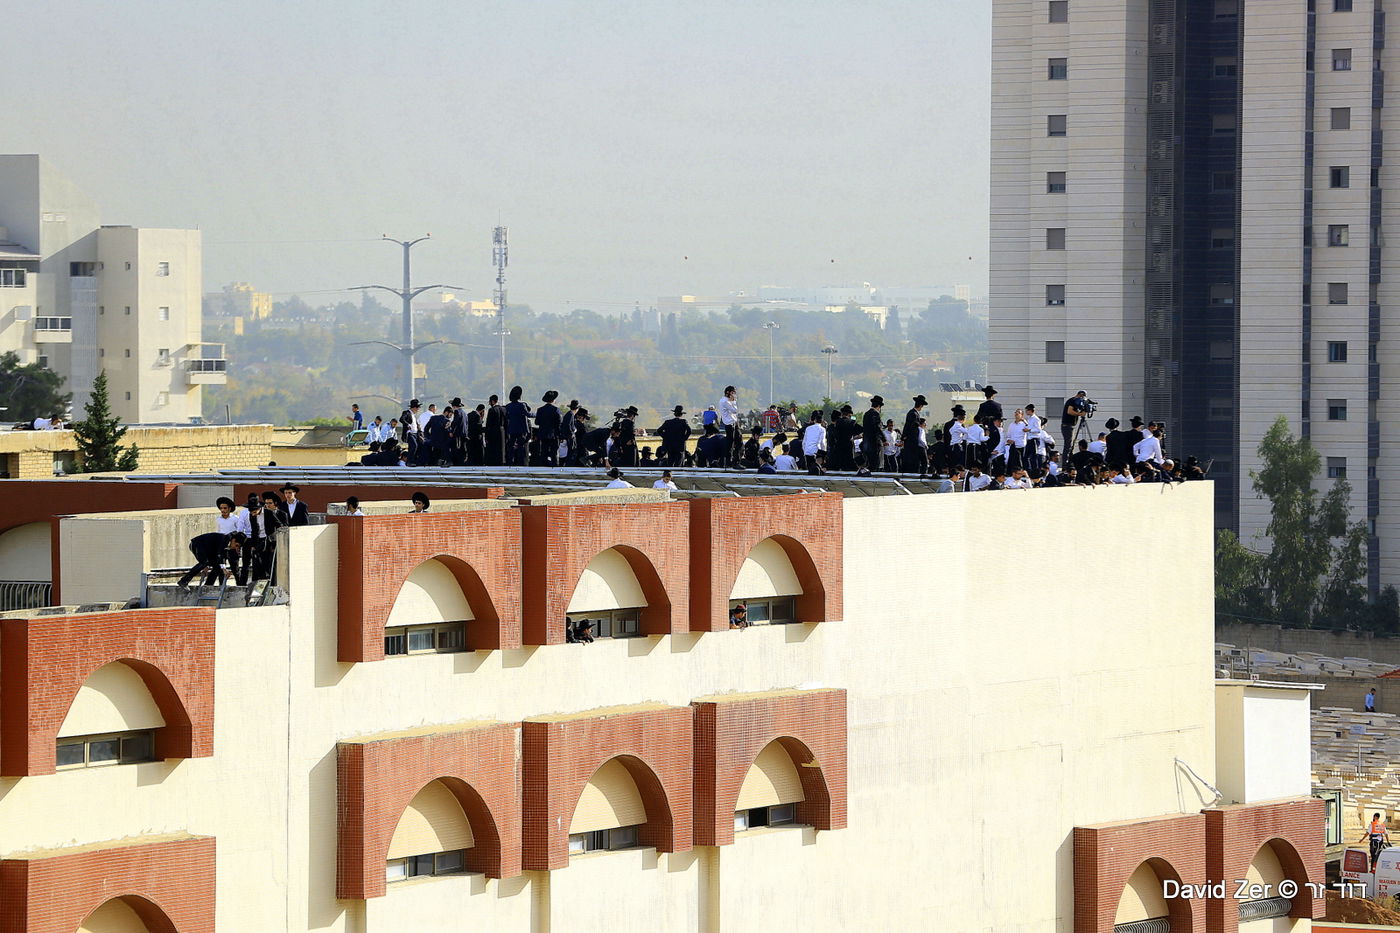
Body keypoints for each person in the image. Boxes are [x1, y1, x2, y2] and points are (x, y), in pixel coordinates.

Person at [178, 531, 245, 589]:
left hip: (207, 550)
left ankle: (208, 585)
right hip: (197, 544)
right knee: (204, 562)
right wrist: (224, 569)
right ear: (233, 540)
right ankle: (184, 581)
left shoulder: (227, 545)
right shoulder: (225, 540)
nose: (235, 547)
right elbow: (220, 555)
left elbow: (222, 560)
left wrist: (223, 570)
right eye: (236, 545)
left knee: (217, 567)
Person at [244, 495, 281, 582]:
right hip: (259, 540)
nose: (253, 514)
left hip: (269, 540)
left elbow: (279, 525)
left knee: (269, 563)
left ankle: (271, 581)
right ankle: (259, 580)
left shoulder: (269, 513)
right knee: (257, 560)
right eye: (251, 513)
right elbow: (254, 530)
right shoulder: (252, 515)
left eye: (254, 512)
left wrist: (275, 539)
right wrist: (253, 544)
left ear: (259, 508)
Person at [504, 386, 532, 466]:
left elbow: (507, 417)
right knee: (521, 447)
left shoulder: (508, 406)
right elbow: (528, 414)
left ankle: (510, 462)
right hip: (521, 429)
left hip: (512, 429)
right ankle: (520, 463)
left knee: (511, 447)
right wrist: (537, 414)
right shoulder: (522, 405)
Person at [535, 390, 562, 467]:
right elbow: (559, 423)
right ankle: (555, 467)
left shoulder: (540, 410)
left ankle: (543, 466)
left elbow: (537, 422)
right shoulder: (556, 410)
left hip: (543, 434)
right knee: (554, 453)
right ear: (553, 400)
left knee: (544, 452)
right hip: (553, 435)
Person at [901, 396, 927, 473]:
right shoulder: (914, 414)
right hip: (912, 442)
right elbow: (910, 428)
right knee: (913, 462)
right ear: (921, 406)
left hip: (910, 441)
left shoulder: (912, 413)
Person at [719, 386, 741, 467]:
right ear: (728, 392)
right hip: (730, 425)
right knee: (731, 444)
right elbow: (734, 410)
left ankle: (734, 461)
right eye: (733, 392)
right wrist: (734, 401)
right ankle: (731, 462)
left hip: (734, 423)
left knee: (738, 442)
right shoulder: (725, 401)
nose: (734, 394)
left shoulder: (727, 401)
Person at [861, 396, 885, 471]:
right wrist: (884, 439)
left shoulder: (866, 414)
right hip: (874, 442)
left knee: (869, 462)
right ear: (879, 406)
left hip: (866, 442)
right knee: (875, 463)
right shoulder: (876, 414)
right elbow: (878, 428)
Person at [801, 410, 827, 475]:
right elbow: (822, 442)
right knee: (817, 471)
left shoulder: (808, 428)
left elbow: (804, 442)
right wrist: (824, 454)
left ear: (815, 420)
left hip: (807, 452)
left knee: (810, 471)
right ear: (822, 421)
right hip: (816, 452)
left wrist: (805, 451)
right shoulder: (822, 429)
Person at [484, 394, 505, 466]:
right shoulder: (503, 409)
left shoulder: (492, 410)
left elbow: (488, 424)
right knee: (501, 449)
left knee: (493, 449)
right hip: (502, 431)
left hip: (493, 432)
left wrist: (486, 436)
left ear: (492, 401)